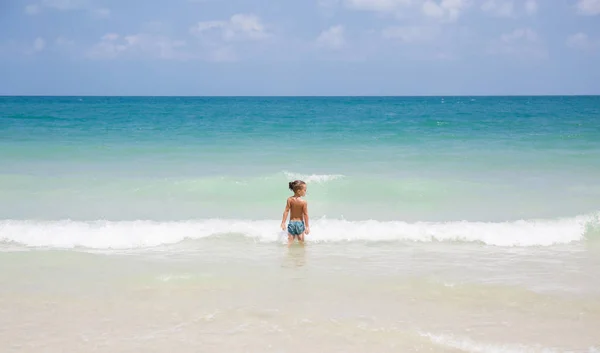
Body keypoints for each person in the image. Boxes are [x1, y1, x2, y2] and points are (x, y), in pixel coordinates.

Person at [280, 180, 310, 247]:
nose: (305, 191)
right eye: (305, 190)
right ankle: (302, 254)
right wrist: (307, 226)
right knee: (301, 240)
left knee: (290, 241)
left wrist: (283, 222)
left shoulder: (289, 199)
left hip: (292, 223)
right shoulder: (303, 202)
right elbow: (305, 214)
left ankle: (288, 254)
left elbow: (286, 211)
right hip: (299, 223)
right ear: (299, 191)